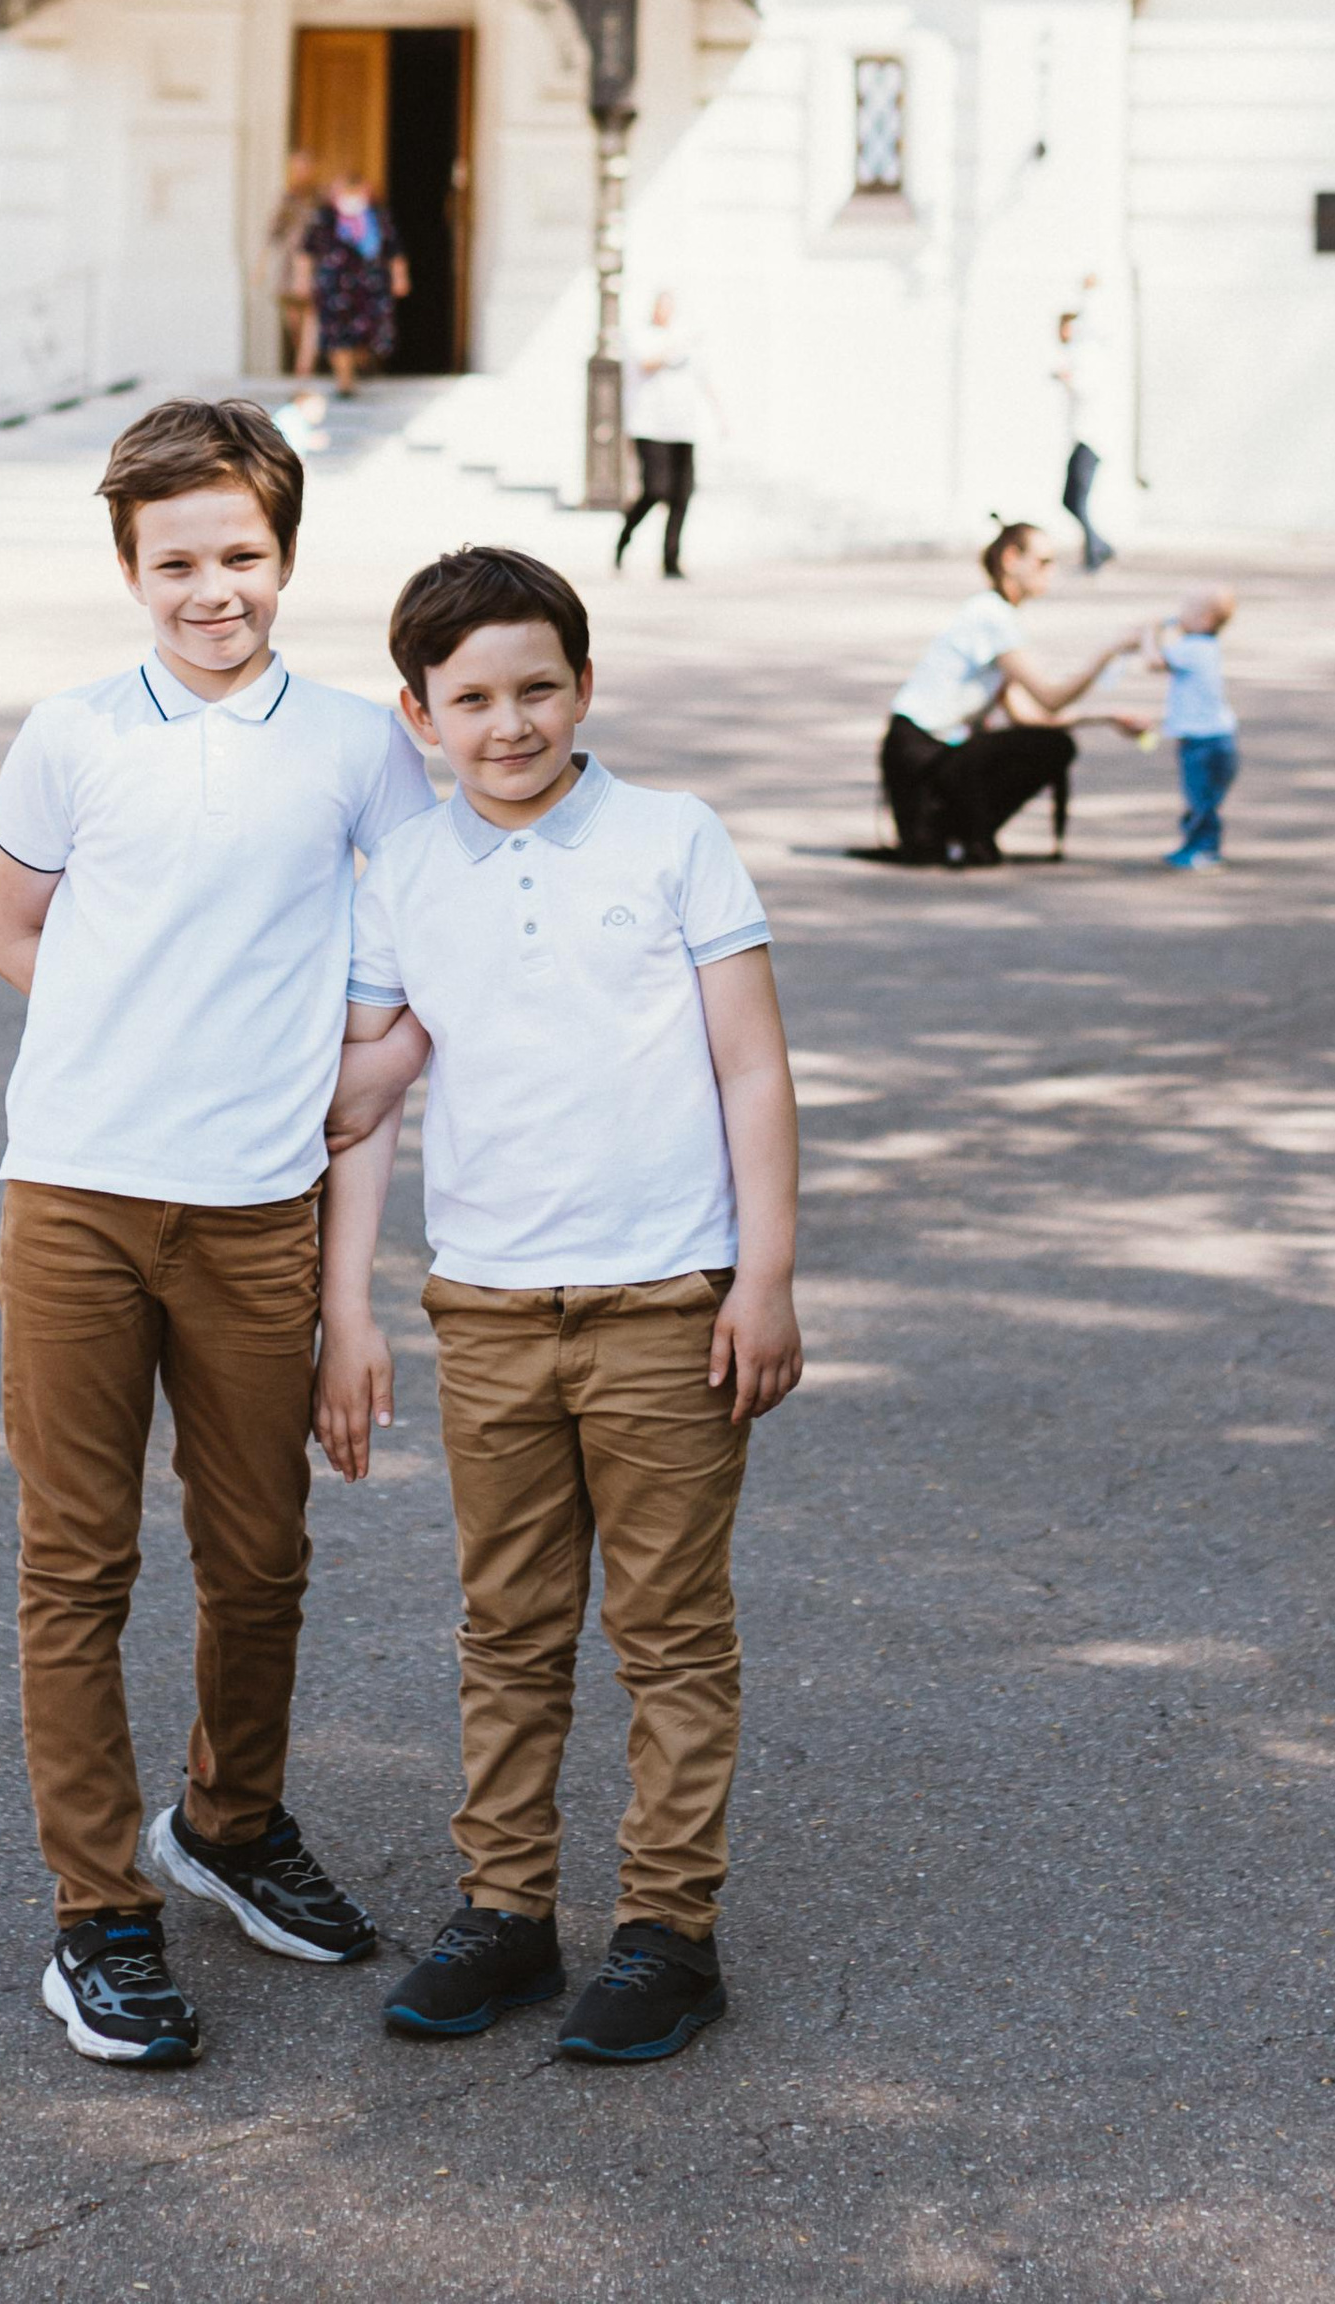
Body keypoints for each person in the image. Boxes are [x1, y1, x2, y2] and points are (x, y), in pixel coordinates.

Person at [0, 396, 431, 2069]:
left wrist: (369, 1070)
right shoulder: (74, 732)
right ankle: (100, 1914)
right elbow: (10, 923)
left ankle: (228, 1827)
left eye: (241, 554)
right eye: (176, 561)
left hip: (257, 1216)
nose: (211, 587)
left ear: (287, 557)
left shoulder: (358, 748)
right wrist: (131, 1027)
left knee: (260, 1555)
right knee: (75, 1565)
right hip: (79, 1202)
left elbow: (424, 952)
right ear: (129, 569)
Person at [315, 543, 802, 2069]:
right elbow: (369, 1098)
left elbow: (750, 1065)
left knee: (669, 1631)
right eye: (473, 699)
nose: (510, 723)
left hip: (669, 1299)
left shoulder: (672, 839)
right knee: (508, 1627)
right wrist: (351, 1312)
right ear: (419, 715)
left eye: (539, 688)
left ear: (585, 687)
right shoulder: (400, 876)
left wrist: (768, 1271)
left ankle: (669, 1934)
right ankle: (507, 1913)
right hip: (492, 1310)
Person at [879, 524, 1136, 869]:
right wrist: (1110, 651)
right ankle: (967, 830)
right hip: (919, 752)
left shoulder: (993, 614)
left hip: (928, 750)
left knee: (1049, 742)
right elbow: (1050, 698)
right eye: (1043, 561)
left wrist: (1106, 718)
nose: (1051, 571)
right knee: (1053, 747)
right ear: (1011, 559)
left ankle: (967, 831)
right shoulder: (992, 617)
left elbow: (1028, 716)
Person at [614, 290, 718, 580]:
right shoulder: (641, 336)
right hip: (649, 425)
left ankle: (671, 559)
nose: (667, 312)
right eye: (663, 307)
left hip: (683, 427)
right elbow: (646, 363)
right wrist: (676, 343)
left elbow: (703, 378)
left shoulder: (685, 342)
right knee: (655, 489)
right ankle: (625, 536)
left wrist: (719, 417)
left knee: (682, 494)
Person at [1148, 589, 1240, 870]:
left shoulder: (1193, 648)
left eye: (1186, 609)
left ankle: (1204, 850)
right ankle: (1194, 844)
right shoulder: (1205, 647)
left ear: (1205, 619)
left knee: (1200, 798)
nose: (1179, 615)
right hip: (1218, 738)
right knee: (1203, 798)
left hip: (1202, 742)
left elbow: (1153, 661)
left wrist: (1149, 634)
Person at [305, 176, 409, 395]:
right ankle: (345, 382)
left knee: (366, 334)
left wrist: (400, 277)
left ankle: (361, 367)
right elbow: (306, 251)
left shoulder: (378, 218)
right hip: (334, 286)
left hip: (370, 286)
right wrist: (303, 280)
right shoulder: (325, 218)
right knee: (337, 335)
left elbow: (394, 251)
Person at [1054, 293, 1116, 571]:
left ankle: (1097, 550)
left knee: (1074, 499)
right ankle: (1098, 547)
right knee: (1073, 499)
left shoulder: (1086, 356)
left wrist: (1068, 379)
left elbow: (1087, 388)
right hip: (1084, 437)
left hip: (1089, 439)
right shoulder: (1080, 355)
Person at [262, 153, 325, 377]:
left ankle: (304, 367)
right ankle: (302, 357)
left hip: (317, 263)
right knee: (293, 320)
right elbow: (272, 233)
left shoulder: (322, 199)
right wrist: (261, 266)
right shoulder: (286, 199)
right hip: (289, 265)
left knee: (313, 312)